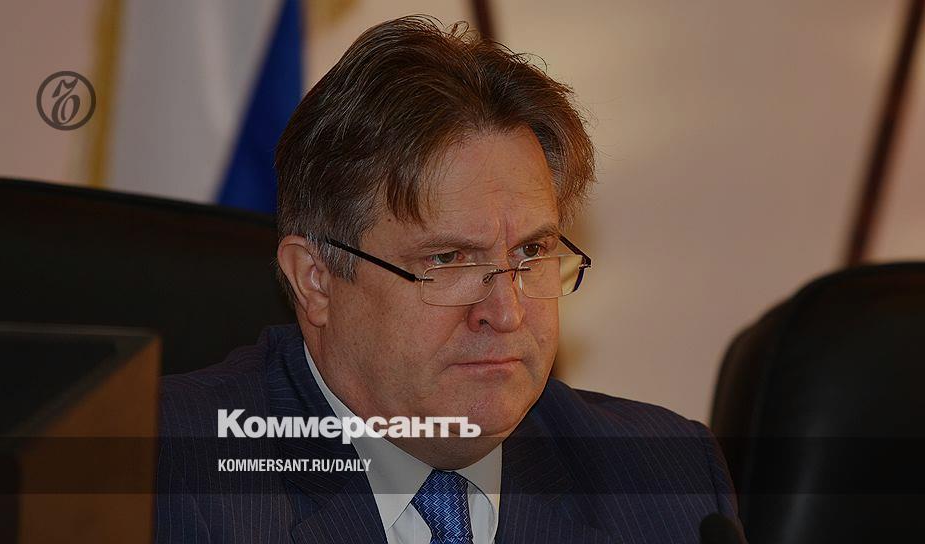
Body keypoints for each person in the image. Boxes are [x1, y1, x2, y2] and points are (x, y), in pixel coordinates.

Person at [156, 15, 742, 544]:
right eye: (449, 260)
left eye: (531, 251)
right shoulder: (159, 473)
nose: (507, 312)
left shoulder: (669, 482)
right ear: (316, 280)